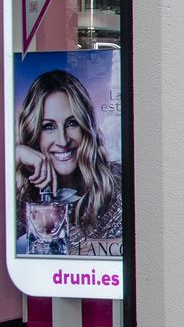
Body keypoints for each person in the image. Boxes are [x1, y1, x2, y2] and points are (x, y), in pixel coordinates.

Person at [15, 69, 123, 253]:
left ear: (85, 126)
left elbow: (153, 241)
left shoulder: (118, 182)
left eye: (72, 123)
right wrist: (13, 156)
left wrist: (92, 248)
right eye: (49, 126)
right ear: (34, 132)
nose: (63, 140)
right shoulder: (24, 192)